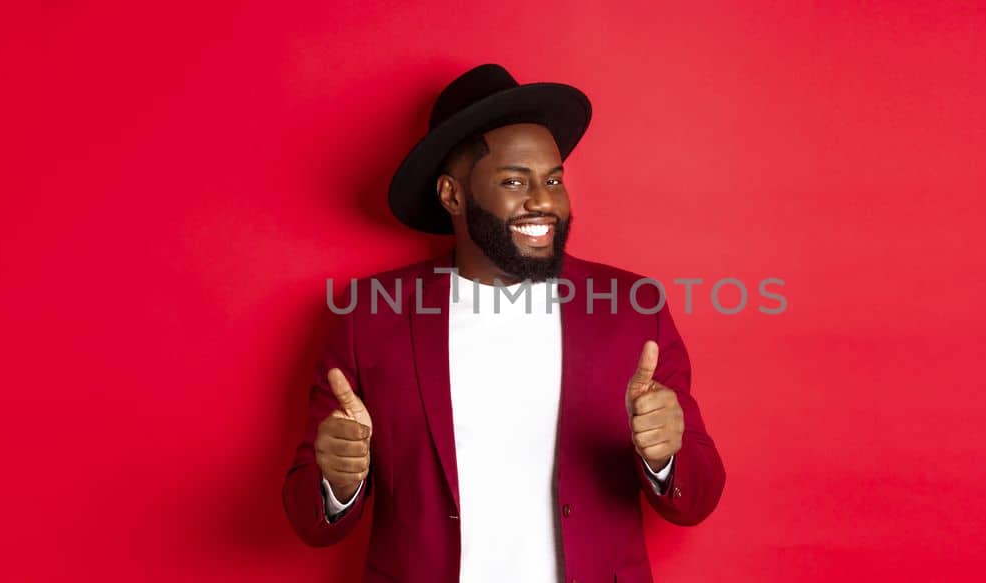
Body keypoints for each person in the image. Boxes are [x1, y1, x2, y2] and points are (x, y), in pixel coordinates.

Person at [283, 63, 726, 583]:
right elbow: (307, 518)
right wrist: (337, 482)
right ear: (452, 196)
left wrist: (667, 457)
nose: (543, 201)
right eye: (514, 180)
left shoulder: (632, 308)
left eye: (553, 180)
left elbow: (696, 500)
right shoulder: (370, 316)